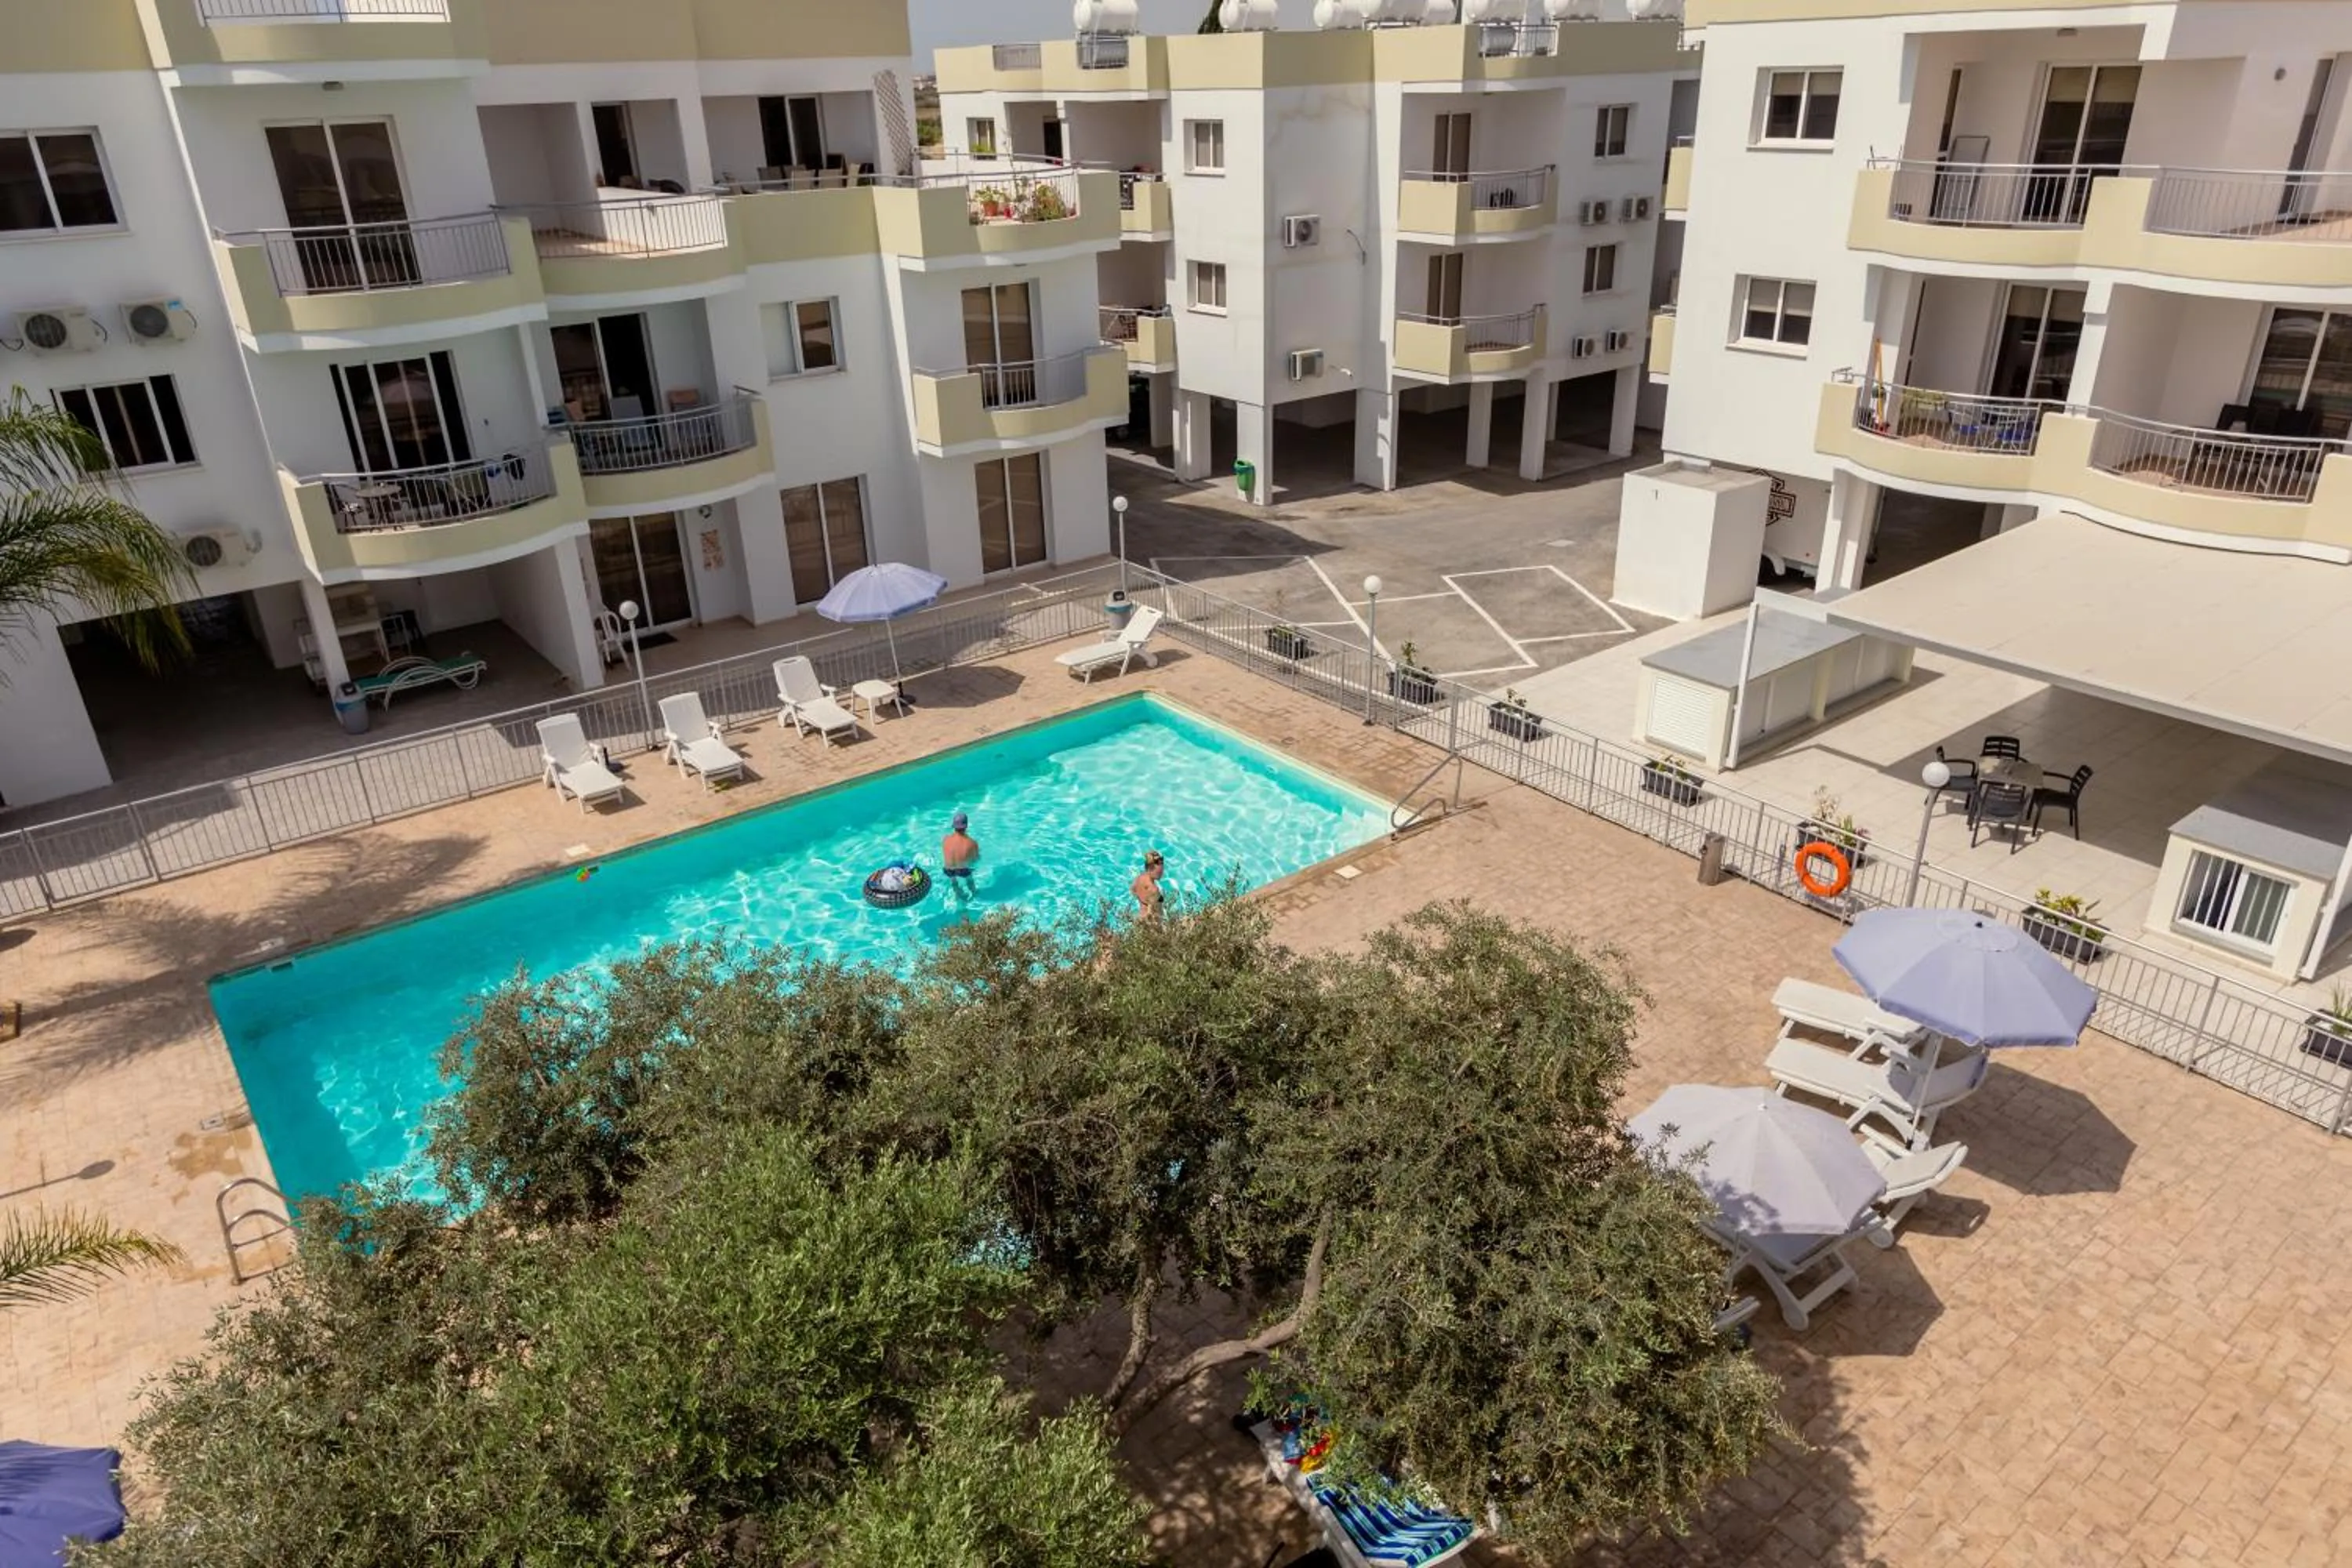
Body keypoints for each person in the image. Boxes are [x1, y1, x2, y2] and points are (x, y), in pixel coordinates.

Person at [942, 811, 980, 899]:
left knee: (954, 882)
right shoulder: (972, 843)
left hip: (948, 869)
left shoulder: (945, 839)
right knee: (970, 881)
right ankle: (974, 894)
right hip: (963, 870)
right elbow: (975, 859)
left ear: (954, 826)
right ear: (966, 826)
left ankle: (958, 895)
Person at [1131, 849, 1166, 923]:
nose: (1161, 874)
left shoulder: (1139, 879)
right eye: (1159, 872)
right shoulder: (1153, 889)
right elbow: (1150, 915)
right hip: (1152, 925)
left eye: (1162, 871)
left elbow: (1132, 891)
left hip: (1140, 916)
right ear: (1150, 868)